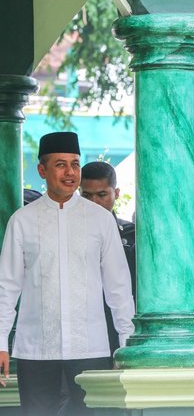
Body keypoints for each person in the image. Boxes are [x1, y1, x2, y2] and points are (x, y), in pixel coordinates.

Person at [0, 132, 135, 416]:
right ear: (42, 170)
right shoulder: (21, 221)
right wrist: (0, 342)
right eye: (60, 164)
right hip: (36, 350)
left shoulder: (100, 220)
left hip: (90, 348)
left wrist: (126, 342)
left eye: (74, 164)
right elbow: (6, 287)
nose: (70, 172)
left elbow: (118, 287)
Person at [80, 161, 136, 354]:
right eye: (86, 195)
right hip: (84, 332)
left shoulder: (132, 234)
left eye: (102, 195)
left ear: (116, 193)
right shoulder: (70, 234)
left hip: (122, 326)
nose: (94, 202)